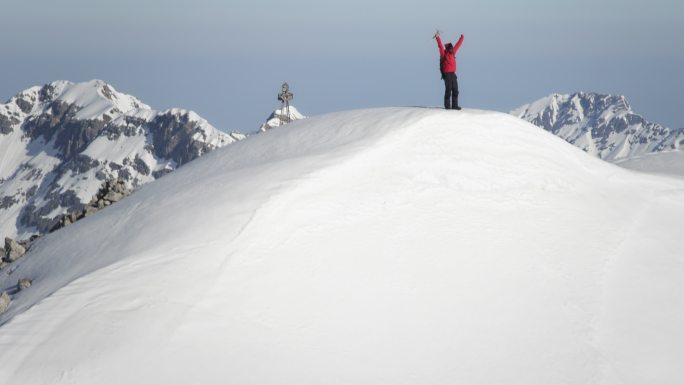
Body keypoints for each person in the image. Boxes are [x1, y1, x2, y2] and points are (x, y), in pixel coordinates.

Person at [435, 31, 464, 110]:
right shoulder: (443, 54)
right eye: (450, 48)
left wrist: (462, 38)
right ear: (448, 49)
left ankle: (455, 105)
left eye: (452, 48)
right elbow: (440, 46)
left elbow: (458, 45)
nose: (452, 49)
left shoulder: (453, 52)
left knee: (455, 89)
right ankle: (447, 106)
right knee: (448, 89)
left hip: (453, 74)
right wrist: (437, 37)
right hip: (447, 74)